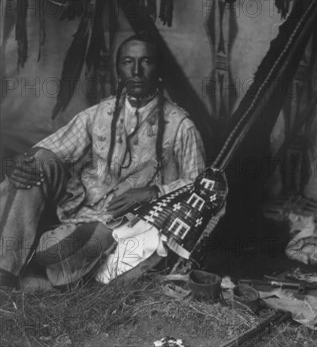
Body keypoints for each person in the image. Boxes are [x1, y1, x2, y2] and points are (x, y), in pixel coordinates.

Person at [0, 34, 205, 289]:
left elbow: (202, 186)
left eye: (146, 62)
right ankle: (5, 271)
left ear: (158, 68)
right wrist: (25, 161)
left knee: (60, 251)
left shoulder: (180, 126)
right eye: (128, 62)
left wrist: (154, 191)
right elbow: (53, 148)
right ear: (118, 68)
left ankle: (50, 264)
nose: (137, 71)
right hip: (78, 208)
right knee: (37, 162)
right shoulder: (101, 113)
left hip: (122, 222)